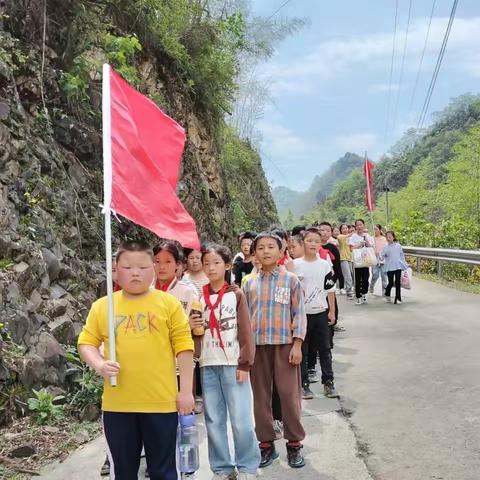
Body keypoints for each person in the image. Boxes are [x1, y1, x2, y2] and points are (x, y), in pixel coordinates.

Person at [78, 240, 194, 480]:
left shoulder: (168, 304)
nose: (135, 272)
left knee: (164, 471)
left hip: (161, 403)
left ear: (152, 269)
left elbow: (184, 347)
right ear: (116, 269)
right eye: (128, 267)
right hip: (118, 406)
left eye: (142, 267)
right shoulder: (103, 306)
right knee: (123, 472)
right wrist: (99, 364)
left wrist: (186, 392)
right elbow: (86, 342)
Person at [190, 244, 259, 480]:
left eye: (216, 262)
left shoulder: (235, 294)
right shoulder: (198, 297)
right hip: (208, 364)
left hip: (233, 363)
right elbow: (196, 335)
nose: (210, 267)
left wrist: (245, 363)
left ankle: (248, 465)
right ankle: (222, 467)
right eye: (206, 262)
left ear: (228, 265)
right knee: (214, 420)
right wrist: (194, 330)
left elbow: (246, 332)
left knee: (241, 419)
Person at [243, 232, 307, 469]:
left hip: (285, 345)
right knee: (260, 398)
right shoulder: (249, 283)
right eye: (261, 247)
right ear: (254, 253)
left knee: (289, 397)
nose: (266, 251)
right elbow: (245, 318)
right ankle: (266, 444)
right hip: (258, 348)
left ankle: (294, 445)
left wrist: (298, 344)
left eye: (271, 247)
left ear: (281, 252)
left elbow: (299, 313)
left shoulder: (290, 280)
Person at [293, 228, 338, 400]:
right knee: (302, 350)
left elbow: (330, 290)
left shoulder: (324, 264)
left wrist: (331, 310)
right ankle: (304, 385)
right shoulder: (295, 265)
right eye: (309, 240)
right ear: (303, 242)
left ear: (321, 244)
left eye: (316, 241)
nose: (313, 244)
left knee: (325, 349)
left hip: (320, 313)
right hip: (302, 315)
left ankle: (328, 382)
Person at [154, 241, 198, 314]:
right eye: (157, 261)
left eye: (168, 261)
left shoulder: (187, 292)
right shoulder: (146, 289)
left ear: (177, 264)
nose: (162, 267)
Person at [349, 219, 374, 305]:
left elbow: (371, 247)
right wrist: (359, 244)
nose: (359, 226)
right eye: (357, 225)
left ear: (364, 225)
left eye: (361, 225)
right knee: (357, 279)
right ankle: (358, 297)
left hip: (366, 260)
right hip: (357, 261)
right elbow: (351, 248)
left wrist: (366, 241)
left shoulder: (367, 235)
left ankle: (364, 294)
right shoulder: (353, 237)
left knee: (366, 279)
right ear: (355, 227)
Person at [381, 231, 408, 305]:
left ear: (393, 237)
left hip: (398, 266)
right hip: (389, 267)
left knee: (397, 282)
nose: (388, 238)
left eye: (390, 237)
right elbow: (381, 256)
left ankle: (398, 298)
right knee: (390, 282)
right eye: (387, 237)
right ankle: (387, 293)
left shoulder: (398, 246)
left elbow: (402, 256)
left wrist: (405, 264)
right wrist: (380, 257)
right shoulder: (385, 247)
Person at [370, 224, 388, 295]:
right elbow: (369, 247)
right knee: (375, 275)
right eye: (374, 229)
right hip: (375, 259)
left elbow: (387, 248)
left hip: (383, 259)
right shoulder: (372, 238)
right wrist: (374, 252)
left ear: (380, 230)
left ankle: (384, 290)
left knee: (384, 275)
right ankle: (371, 286)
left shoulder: (384, 239)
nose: (375, 231)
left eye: (376, 229)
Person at [337, 224, 354, 299]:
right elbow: (340, 237)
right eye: (343, 228)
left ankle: (352, 290)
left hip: (351, 258)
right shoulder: (340, 236)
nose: (345, 230)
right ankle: (349, 292)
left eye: (346, 228)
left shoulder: (351, 238)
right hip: (343, 258)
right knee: (348, 276)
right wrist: (351, 234)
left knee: (352, 275)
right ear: (341, 230)